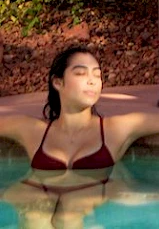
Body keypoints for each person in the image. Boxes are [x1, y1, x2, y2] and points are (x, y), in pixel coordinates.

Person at [0, 44, 159, 170]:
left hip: (92, 208)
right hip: (33, 205)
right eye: (81, 74)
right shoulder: (31, 129)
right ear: (58, 82)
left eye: (97, 75)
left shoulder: (117, 128)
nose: (92, 81)